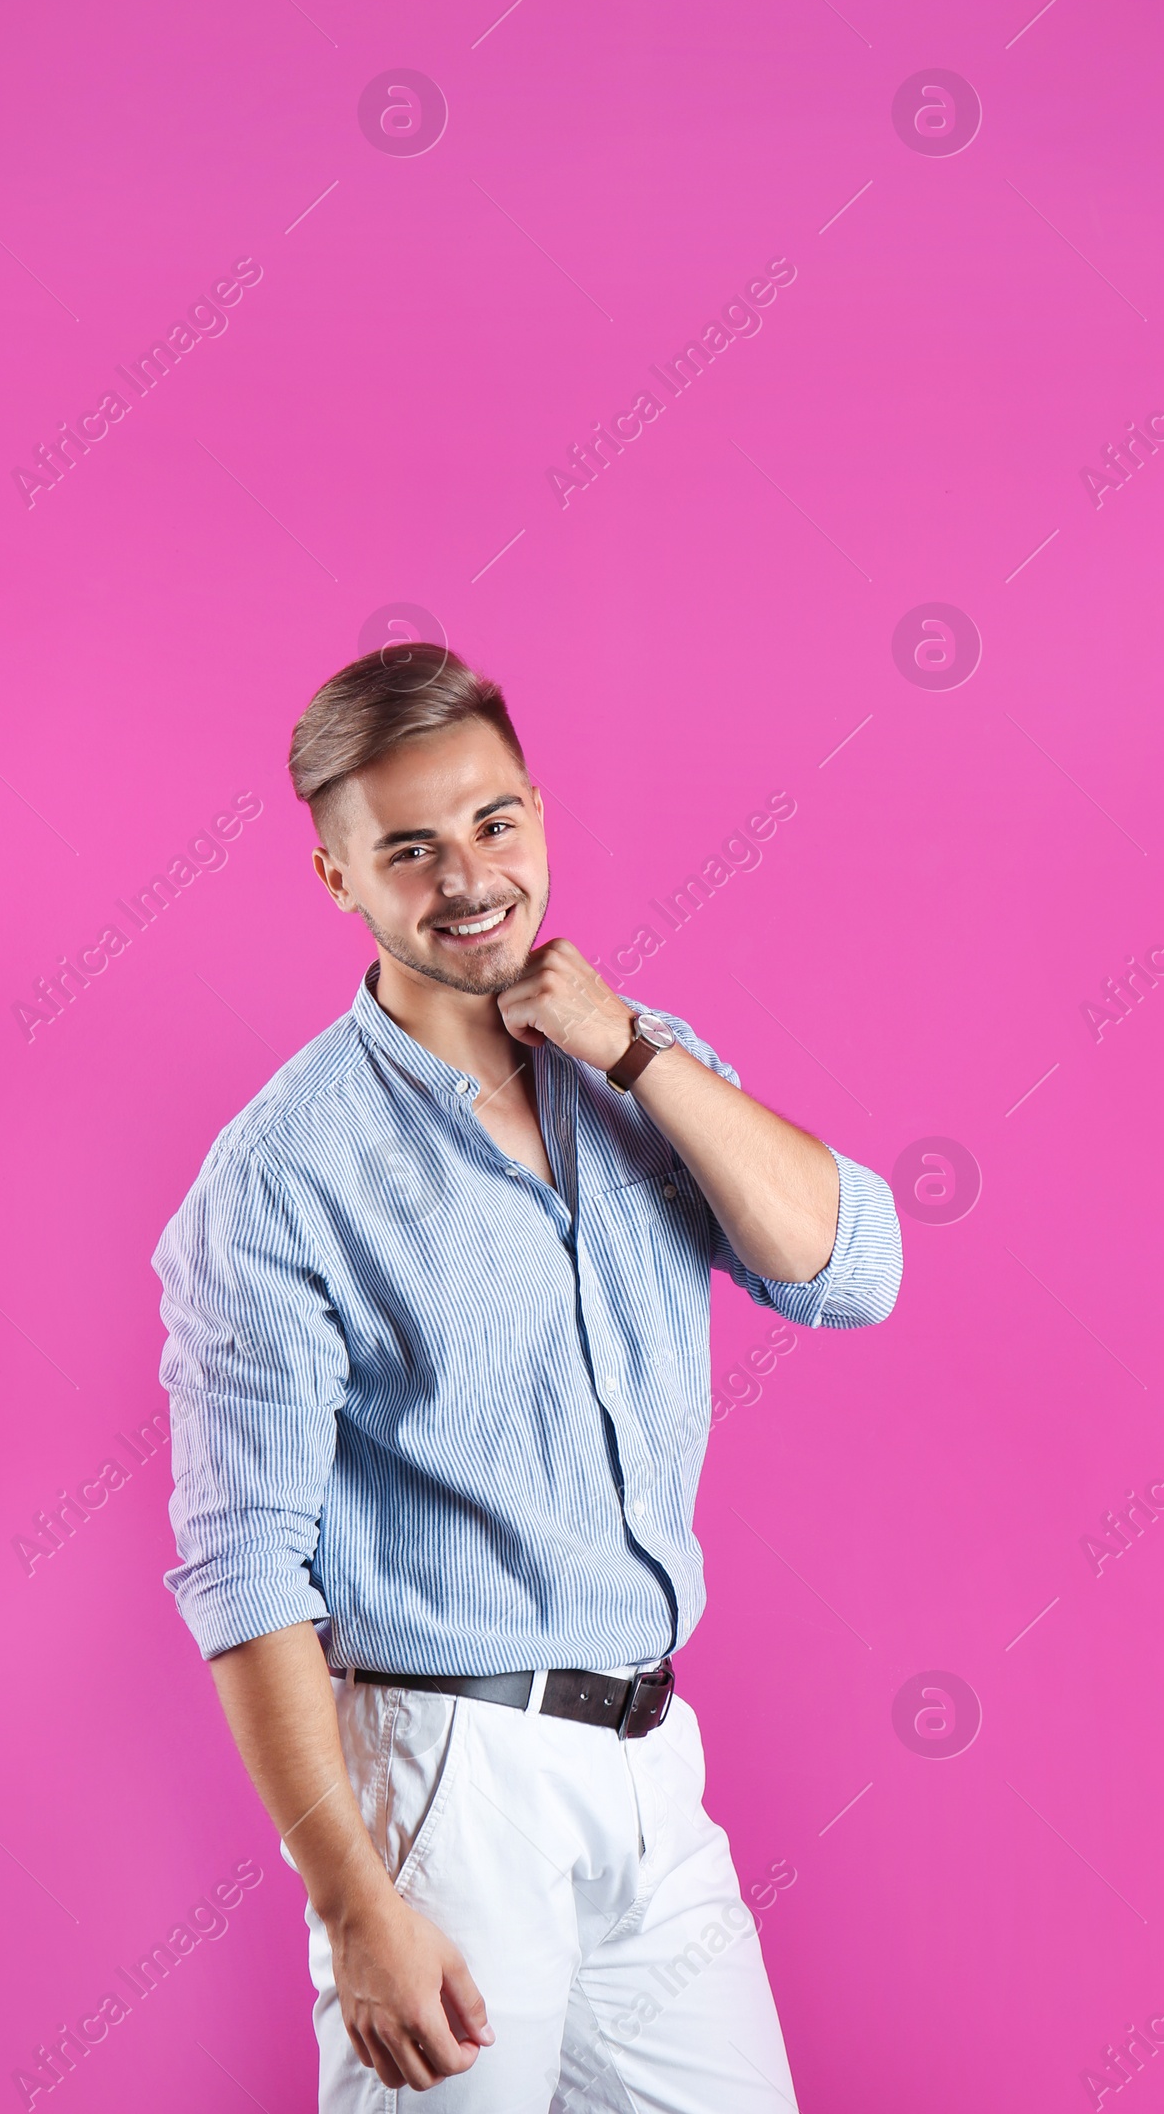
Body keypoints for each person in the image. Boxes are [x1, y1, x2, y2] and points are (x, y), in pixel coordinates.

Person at [154, 644, 902, 2109]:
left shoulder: (633, 1066)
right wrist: (354, 1902)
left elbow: (848, 1273)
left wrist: (629, 1047)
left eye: (495, 823)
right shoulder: (282, 1178)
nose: (469, 875)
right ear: (338, 879)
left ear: (541, 818)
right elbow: (246, 1571)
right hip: (449, 1778)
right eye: (411, 849)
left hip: (650, 1772)